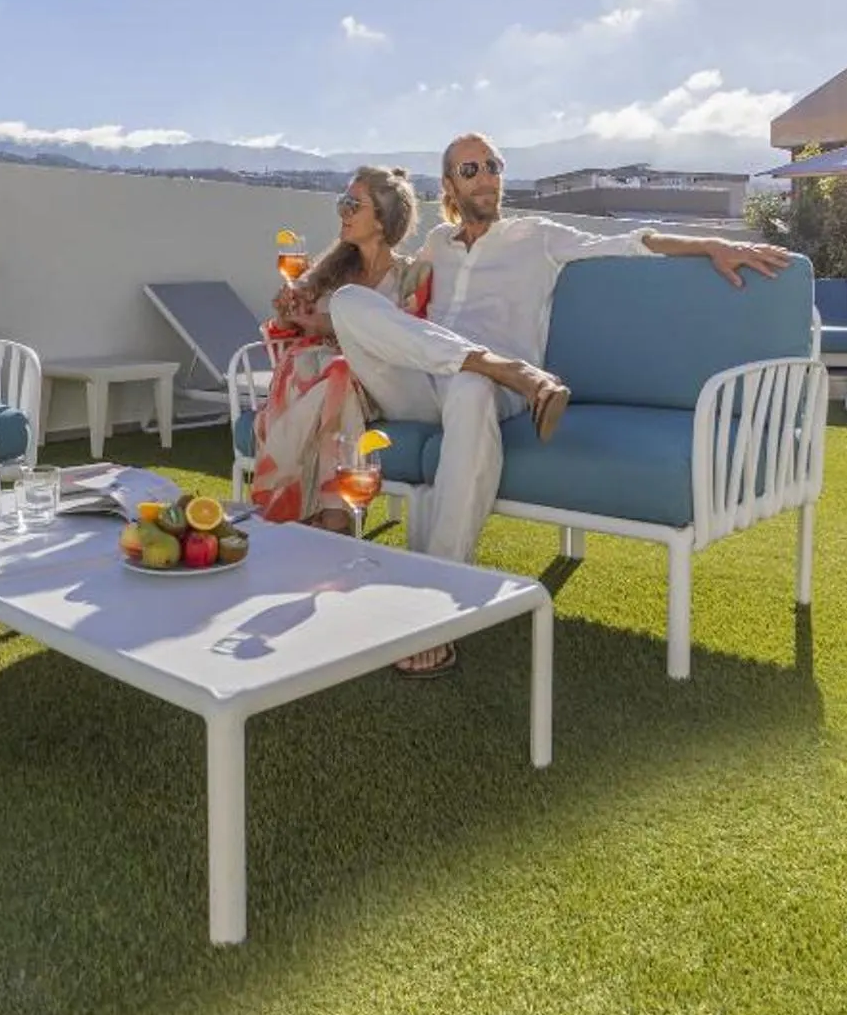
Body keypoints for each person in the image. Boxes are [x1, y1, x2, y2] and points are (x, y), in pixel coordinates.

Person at [327, 132, 793, 675]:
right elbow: (392, 284)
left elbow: (630, 242)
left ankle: (435, 599)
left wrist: (711, 244)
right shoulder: (437, 243)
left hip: (487, 395)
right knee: (348, 301)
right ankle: (507, 368)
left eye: (493, 165)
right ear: (450, 185)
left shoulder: (537, 236)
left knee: (472, 387)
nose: (486, 177)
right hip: (424, 382)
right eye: (470, 169)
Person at [252, 166, 433, 533]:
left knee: (338, 370)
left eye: (353, 205)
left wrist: (329, 326)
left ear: (382, 220)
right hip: (320, 377)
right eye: (341, 203)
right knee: (331, 371)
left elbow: (406, 339)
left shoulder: (412, 277)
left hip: (379, 380)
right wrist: (289, 317)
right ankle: (334, 516)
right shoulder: (328, 273)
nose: (342, 212)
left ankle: (282, 511)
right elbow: (287, 335)